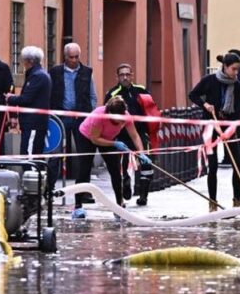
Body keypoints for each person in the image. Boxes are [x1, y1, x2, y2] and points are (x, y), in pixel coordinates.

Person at [190, 51, 240, 209]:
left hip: (229, 127)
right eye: (233, 69)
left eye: (238, 69)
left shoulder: (238, 86)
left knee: (237, 163)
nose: (236, 73)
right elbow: (193, 95)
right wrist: (205, 105)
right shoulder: (210, 81)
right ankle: (213, 201)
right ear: (225, 67)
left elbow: (238, 109)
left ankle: (237, 199)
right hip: (211, 126)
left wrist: (229, 124)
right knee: (213, 165)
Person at [78, 95, 150, 209]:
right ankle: (78, 205)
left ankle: (119, 204)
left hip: (108, 138)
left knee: (115, 171)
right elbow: (95, 139)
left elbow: (135, 136)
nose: (120, 121)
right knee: (84, 170)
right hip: (87, 137)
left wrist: (142, 153)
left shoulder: (126, 116)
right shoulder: (100, 115)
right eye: (118, 118)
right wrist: (114, 144)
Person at [47, 42, 97, 207]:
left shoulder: (86, 72)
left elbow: (92, 95)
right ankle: (50, 189)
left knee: (85, 154)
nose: (75, 60)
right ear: (65, 57)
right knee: (55, 154)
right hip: (60, 116)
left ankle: (84, 191)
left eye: (77, 57)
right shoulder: (55, 73)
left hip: (81, 118)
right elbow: (50, 93)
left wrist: (90, 114)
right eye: (71, 57)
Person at [105, 62, 159, 206]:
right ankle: (125, 182)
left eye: (127, 74)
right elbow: (107, 115)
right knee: (121, 164)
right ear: (117, 77)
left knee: (146, 163)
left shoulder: (141, 90)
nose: (125, 77)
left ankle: (143, 196)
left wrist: (152, 129)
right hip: (120, 134)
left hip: (140, 132)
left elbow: (152, 109)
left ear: (132, 75)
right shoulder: (112, 94)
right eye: (121, 75)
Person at [5, 45, 52, 157]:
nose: (23, 63)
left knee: (29, 154)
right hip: (34, 122)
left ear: (29, 61)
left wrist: (10, 98)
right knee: (29, 152)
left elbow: (27, 99)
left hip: (33, 123)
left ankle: (32, 174)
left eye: (24, 60)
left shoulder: (37, 76)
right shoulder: (39, 74)